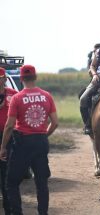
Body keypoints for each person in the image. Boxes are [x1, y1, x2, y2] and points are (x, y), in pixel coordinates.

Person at [0, 65, 58, 215]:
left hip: (22, 143)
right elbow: (55, 122)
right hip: (41, 141)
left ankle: (16, 212)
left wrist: (3, 147)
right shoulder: (46, 95)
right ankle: (43, 213)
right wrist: (44, 134)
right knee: (41, 183)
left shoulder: (17, 97)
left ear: (21, 78)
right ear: (35, 77)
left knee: (11, 183)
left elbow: (9, 125)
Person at [0, 67, 18, 215]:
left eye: (0, 78)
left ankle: (8, 210)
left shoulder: (13, 95)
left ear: (5, 79)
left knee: (6, 177)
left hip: (9, 137)